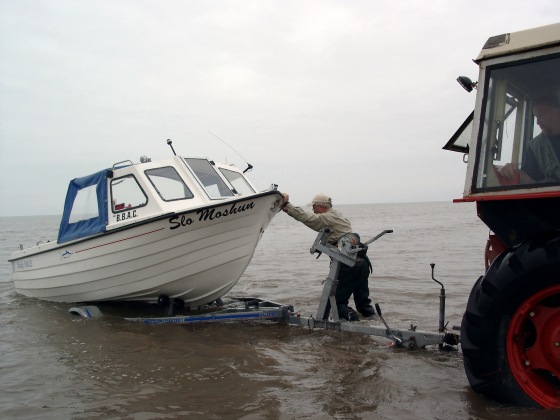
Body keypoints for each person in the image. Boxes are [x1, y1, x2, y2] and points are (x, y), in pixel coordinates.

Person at [281, 192, 375, 321]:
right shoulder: (338, 215)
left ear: (320, 206)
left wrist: (287, 206)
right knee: (363, 304)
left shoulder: (328, 217)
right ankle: (372, 322)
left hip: (348, 265)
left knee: (337, 304)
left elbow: (307, 218)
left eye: (313, 207)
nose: (313, 210)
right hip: (362, 262)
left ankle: (354, 326)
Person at [499, 95, 560, 183]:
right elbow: (528, 180)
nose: (538, 122)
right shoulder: (535, 146)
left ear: (557, 113)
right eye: (536, 117)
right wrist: (512, 171)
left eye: (541, 115)